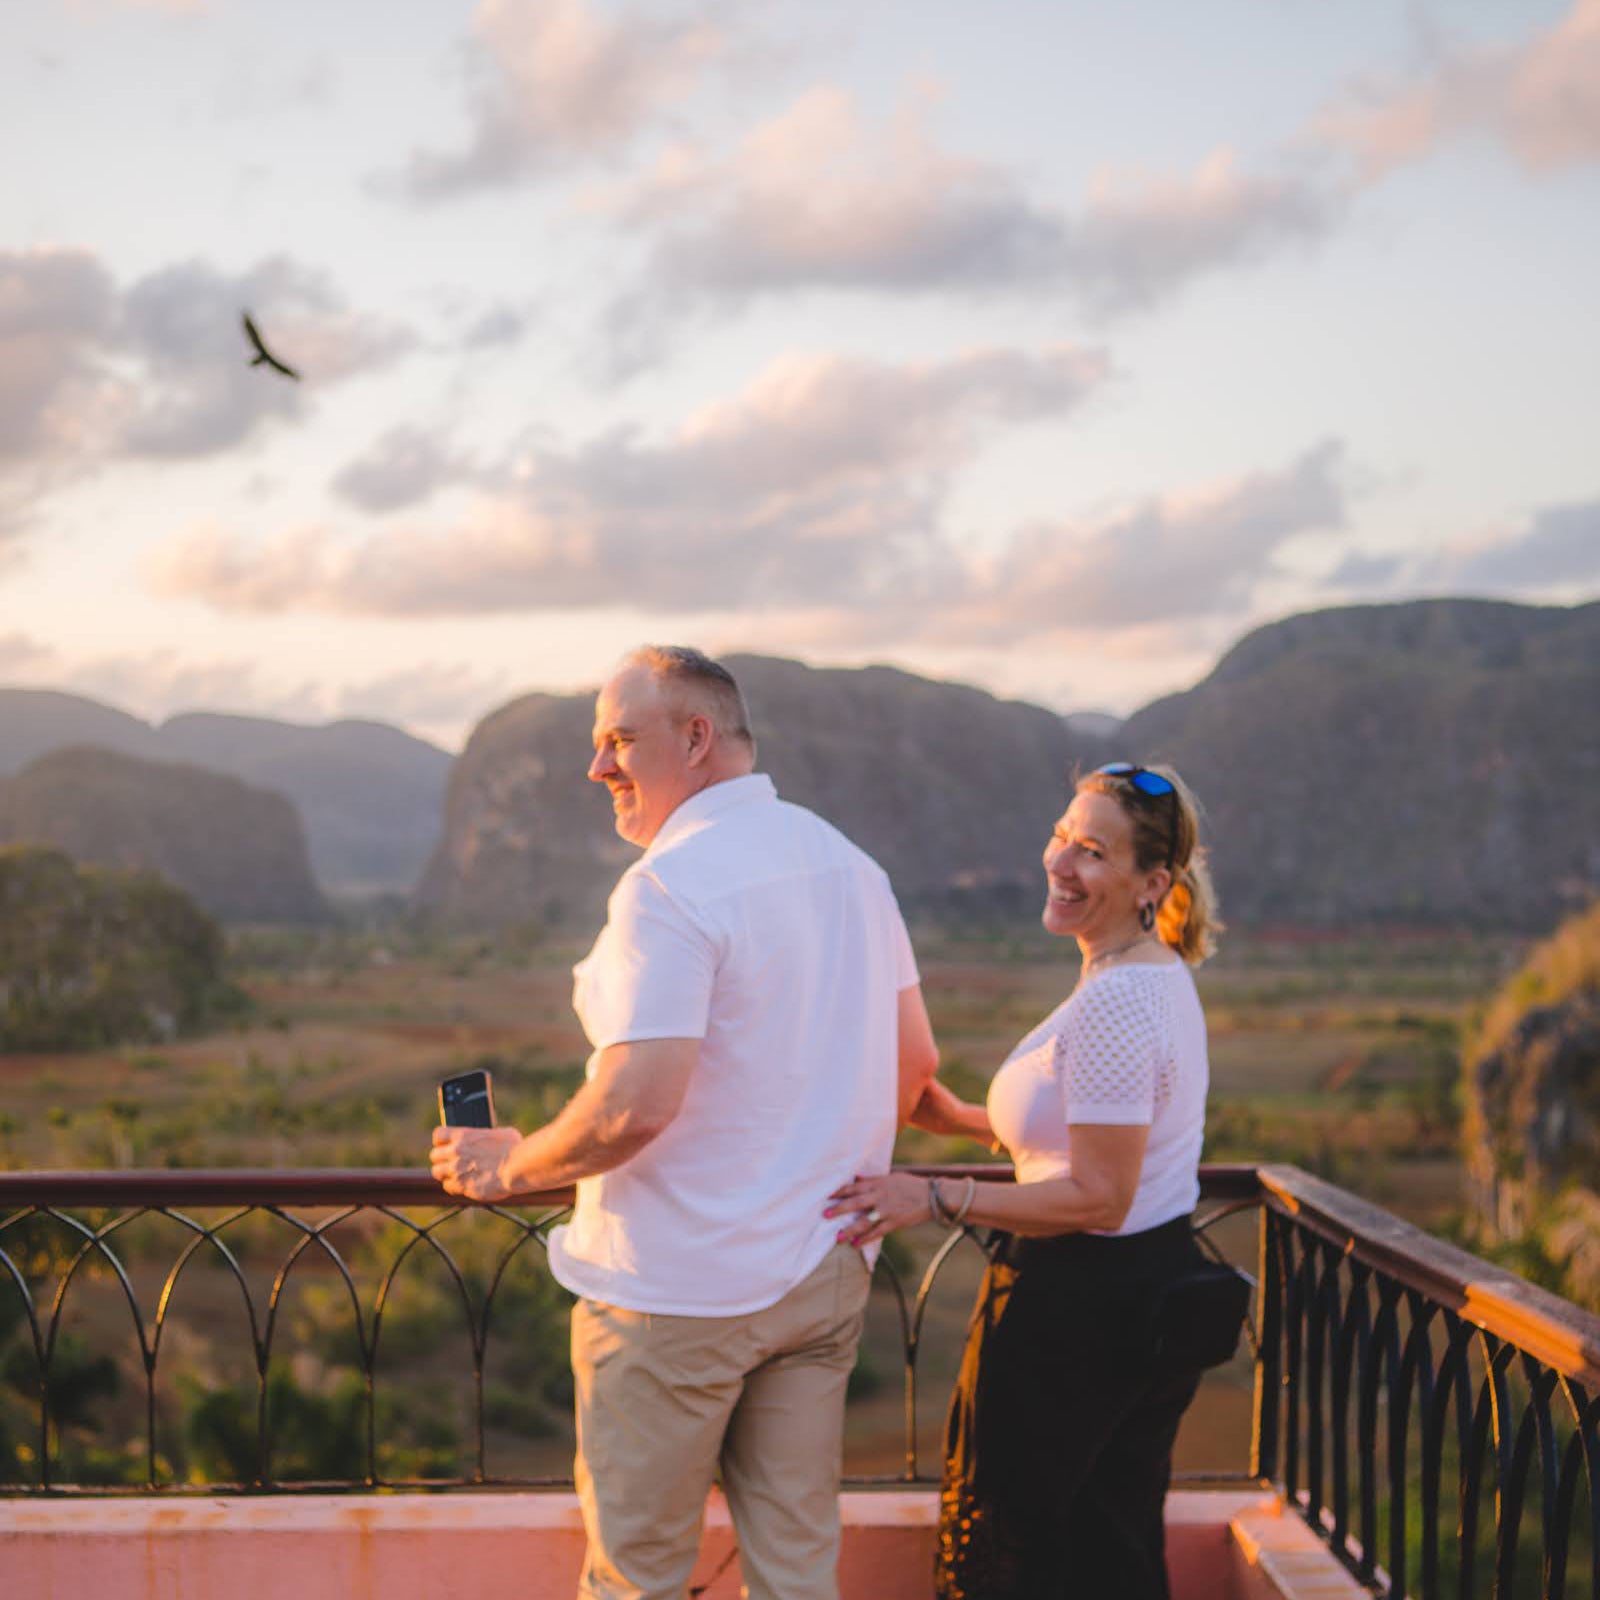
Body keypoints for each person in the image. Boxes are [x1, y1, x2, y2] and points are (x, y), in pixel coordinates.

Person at [430, 645, 938, 1600]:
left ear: (695, 737)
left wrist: (514, 1164)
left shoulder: (668, 888)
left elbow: (635, 1104)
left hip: (678, 1294)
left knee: (639, 1579)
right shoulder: (852, 868)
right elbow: (916, 1068)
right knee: (796, 1573)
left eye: (619, 740)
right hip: (823, 1271)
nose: (598, 769)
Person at [826, 762, 1223, 1600]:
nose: (1059, 862)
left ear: (1152, 882)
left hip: (1079, 1311)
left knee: (1011, 1547)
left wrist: (930, 1195)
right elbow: (1102, 1130)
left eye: (1091, 852)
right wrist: (968, 1118)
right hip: (1135, 1301)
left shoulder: (1118, 1000)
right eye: (1060, 837)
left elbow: (1098, 1195)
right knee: (1106, 1546)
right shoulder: (1150, 974)